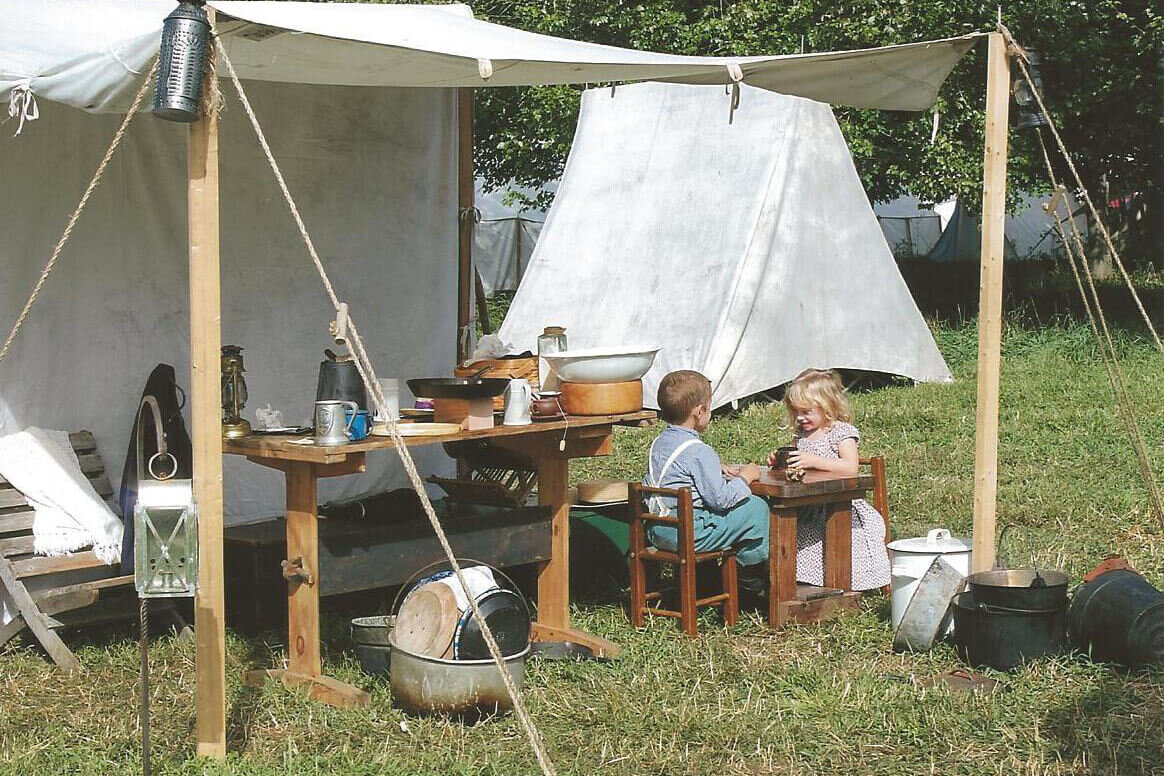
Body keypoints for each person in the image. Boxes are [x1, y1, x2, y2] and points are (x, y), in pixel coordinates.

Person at [644, 370, 770, 593]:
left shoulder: (659, 443)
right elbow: (720, 500)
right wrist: (746, 477)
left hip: (658, 530)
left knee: (732, 512)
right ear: (700, 411)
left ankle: (708, 581)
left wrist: (715, 469)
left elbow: (674, 473)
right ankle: (749, 578)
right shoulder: (700, 452)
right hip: (688, 533)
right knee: (755, 508)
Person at [767, 368, 890, 591]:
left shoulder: (840, 433)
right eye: (796, 412)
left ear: (827, 407)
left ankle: (844, 583)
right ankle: (807, 585)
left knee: (840, 532)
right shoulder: (801, 436)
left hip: (841, 505)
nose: (800, 418)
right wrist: (780, 462)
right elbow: (799, 467)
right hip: (810, 505)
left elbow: (850, 468)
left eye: (806, 412)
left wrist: (813, 460)